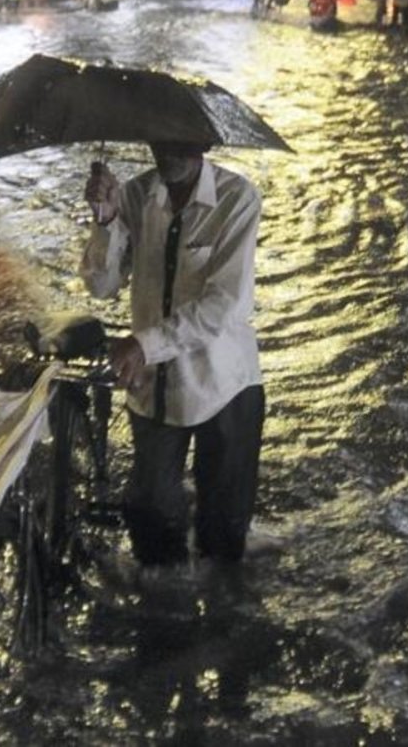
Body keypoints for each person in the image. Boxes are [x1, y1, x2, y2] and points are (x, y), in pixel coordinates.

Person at [80, 142, 265, 570]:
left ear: (204, 142)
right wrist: (105, 218)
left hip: (225, 385)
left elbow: (225, 305)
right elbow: (101, 285)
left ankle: (221, 611)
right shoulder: (135, 196)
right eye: (159, 139)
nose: (168, 151)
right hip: (155, 388)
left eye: (181, 140)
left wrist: (145, 345)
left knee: (222, 537)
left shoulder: (237, 198)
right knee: (150, 523)